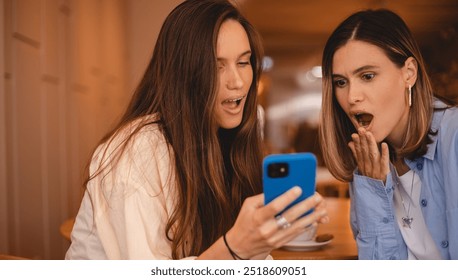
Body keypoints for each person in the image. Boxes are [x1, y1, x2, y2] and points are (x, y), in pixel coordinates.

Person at [66, 0, 328, 260]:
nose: (237, 82)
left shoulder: (221, 140)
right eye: (217, 65)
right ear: (183, 73)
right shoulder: (139, 150)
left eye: (244, 62)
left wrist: (261, 238)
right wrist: (236, 247)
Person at [319, 9, 458, 260]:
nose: (352, 97)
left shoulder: (454, 136)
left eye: (367, 76)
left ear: (409, 73)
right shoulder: (365, 159)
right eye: (341, 82)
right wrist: (372, 188)